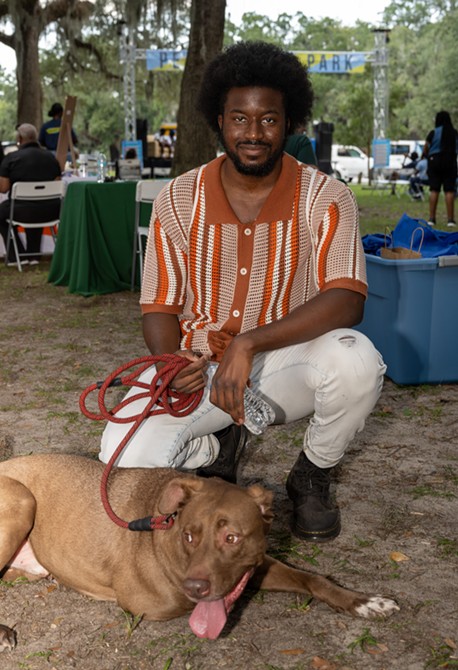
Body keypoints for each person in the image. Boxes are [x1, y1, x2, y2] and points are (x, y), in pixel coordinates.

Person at [99, 41, 386, 544]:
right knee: (121, 455)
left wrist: (247, 343)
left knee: (357, 361)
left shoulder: (327, 197)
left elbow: (348, 299)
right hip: (200, 364)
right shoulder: (177, 197)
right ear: (219, 119)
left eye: (269, 120)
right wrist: (173, 363)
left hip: (283, 362)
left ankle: (312, 474)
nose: (253, 134)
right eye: (239, 119)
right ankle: (214, 450)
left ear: (290, 122)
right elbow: (159, 305)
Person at [0, 123, 61, 265]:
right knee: (38, 204)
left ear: (20, 138)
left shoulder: (11, 158)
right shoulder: (51, 158)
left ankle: (17, 256)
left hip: (21, 211)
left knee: (5, 212)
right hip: (52, 210)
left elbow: (3, 188)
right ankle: (33, 255)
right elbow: (58, 182)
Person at [423, 111, 458, 227]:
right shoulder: (454, 133)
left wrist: (428, 156)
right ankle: (450, 220)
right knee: (449, 190)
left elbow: (425, 148)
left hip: (435, 162)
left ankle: (432, 218)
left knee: (434, 189)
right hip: (450, 161)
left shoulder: (433, 133)